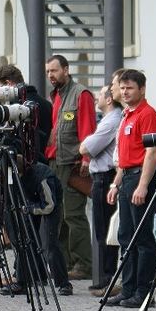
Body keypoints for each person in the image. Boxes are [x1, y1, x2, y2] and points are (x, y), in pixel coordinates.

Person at [104, 69, 156, 309]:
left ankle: (144, 292)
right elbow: (124, 157)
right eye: (123, 87)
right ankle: (127, 289)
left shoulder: (147, 114)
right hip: (127, 177)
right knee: (126, 237)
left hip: (140, 178)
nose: (125, 92)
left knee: (142, 239)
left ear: (142, 89)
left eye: (130, 88)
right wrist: (115, 184)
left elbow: (152, 152)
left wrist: (143, 186)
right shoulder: (128, 115)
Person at [45, 54, 97, 281]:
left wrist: (86, 159)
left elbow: (88, 127)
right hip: (55, 161)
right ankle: (66, 262)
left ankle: (84, 264)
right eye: (48, 72)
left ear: (66, 70)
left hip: (72, 162)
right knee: (61, 215)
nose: (50, 75)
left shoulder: (81, 94)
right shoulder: (57, 95)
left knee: (74, 215)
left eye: (54, 71)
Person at [0, 157, 73, 297]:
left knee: (50, 244)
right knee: (25, 240)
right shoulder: (13, 175)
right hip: (31, 200)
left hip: (50, 203)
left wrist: (31, 209)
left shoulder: (42, 176)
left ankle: (64, 283)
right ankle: (24, 281)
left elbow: (49, 205)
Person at [80, 82, 122, 296]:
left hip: (105, 178)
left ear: (108, 99)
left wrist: (86, 143)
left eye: (101, 94)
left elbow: (87, 147)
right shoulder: (108, 119)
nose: (97, 97)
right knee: (103, 230)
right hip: (103, 178)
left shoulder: (112, 120)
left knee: (105, 231)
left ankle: (108, 279)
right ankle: (105, 278)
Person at [0, 63, 52, 165]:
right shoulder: (46, 104)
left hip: (22, 166)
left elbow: (16, 141)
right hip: (44, 164)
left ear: (8, 84)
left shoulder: (15, 108)